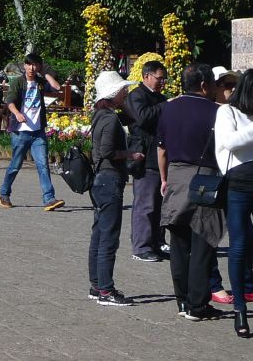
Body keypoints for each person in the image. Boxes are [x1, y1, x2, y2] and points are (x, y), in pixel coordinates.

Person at [158, 63, 223, 321]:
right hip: (207, 177)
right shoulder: (218, 112)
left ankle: (182, 301)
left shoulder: (169, 107)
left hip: (176, 176)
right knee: (204, 242)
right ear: (205, 85)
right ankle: (198, 305)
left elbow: (161, 149)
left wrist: (164, 178)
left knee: (179, 242)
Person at [87, 70, 143, 306]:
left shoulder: (100, 115)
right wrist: (130, 154)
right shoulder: (109, 119)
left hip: (100, 180)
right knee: (108, 237)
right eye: (123, 90)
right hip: (109, 180)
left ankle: (96, 285)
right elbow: (108, 151)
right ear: (113, 93)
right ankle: (106, 290)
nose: (126, 93)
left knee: (99, 234)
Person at [0, 52, 66, 211]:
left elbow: (57, 87)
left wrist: (45, 74)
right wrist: (17, 114)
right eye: (29, 64)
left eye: (35, 65)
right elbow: (10, 102)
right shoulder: (18, 82)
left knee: (43, 165)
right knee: (15, 165)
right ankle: (4, 193)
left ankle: (49, 199)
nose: (31, 68)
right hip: (21, 132)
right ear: (24, 66)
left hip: (38, 132)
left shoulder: (40, 82)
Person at [217, 69, 253, 338]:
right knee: (239, 246)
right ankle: (239, 308)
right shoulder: (227, 113)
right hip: (239, 184)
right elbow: (230, 142)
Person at [125, 59, 169, 262]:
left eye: (164, 79)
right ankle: (141, 246)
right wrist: (166, 106)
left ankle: (157, 242)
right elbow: (142, 118)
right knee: (145, 204)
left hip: (160, 156)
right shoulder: (136, 95)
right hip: (144, 156)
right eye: (160, 79)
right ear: (146, 76)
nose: (162, 83)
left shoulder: (160, 98)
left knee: (160, 205)